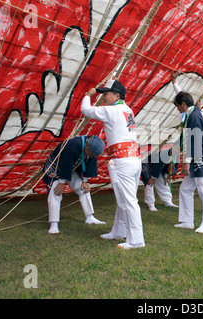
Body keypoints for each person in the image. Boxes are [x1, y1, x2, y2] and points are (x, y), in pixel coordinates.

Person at [81, 79, 145, 249]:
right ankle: (119, 231)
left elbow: (85, 110)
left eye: (105, 94)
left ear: (117, 95)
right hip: (131, 159)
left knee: (128, 200)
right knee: (123, 199)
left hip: (123, 160)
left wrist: (88, 94)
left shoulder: (113, 110)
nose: (103, 97)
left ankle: (136, 239)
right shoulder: (127, 110)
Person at [42, 135, 106, 234]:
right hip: (55, 169)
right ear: (87, 145)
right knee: (56, 192)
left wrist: (85, 181)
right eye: (90, 152)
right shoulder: (73, 144)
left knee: (83, 189)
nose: (90, 155)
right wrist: (61, 183)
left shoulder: (91, 149)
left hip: (70, 168)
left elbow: (90, 163)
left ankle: (90, 217)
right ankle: (54, 224)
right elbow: (65, 163)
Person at [173, 90, 203, 234]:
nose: (178, 109)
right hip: (196, 159)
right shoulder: (192, 113)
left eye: (178, 106)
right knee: (185, 189)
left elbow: (194, 141)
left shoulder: (194, 116)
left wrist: (187, 161)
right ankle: (187, 221)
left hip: (200, 159)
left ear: (184, 104)